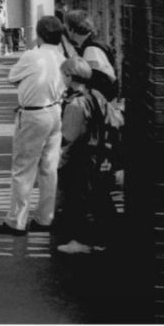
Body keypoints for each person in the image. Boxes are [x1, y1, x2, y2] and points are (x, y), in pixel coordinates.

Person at [0, 15, 67, 237]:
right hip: (55, 110)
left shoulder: (32, 55)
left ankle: (16, 221)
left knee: (23, 168)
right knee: (49, 167)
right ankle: (45, 218)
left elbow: (12, 77)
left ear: (39, 34)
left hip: (33, 113)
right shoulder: (62, 57)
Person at [53, 57, 119, 255]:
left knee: (78, 199)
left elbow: (69, 136)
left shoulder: (75, 104)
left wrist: (60, 159)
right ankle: (104, 240)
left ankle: (81, 240)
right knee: (99, 197)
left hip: (81, 156)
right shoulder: (95, 95)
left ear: (69, 76)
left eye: (62, 74)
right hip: (99, 152)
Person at [63, 9, 118, 101]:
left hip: (101, 102)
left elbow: (96, 82)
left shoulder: (91, 50)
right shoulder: (94, 43)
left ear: (71, 29)